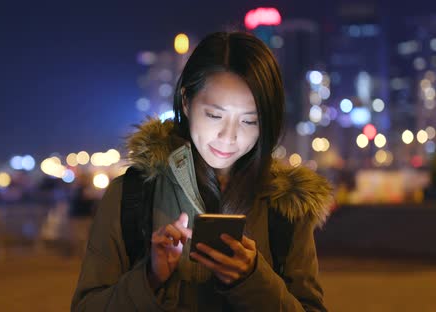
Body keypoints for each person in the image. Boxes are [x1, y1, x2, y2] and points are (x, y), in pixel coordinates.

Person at [71, 31, 333, 311]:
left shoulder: (287, 206)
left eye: (249, 121)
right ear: (186, 101)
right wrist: (151, 277)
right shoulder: (132, 194)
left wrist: (253, 280)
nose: (229, 136)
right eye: (214, 115)